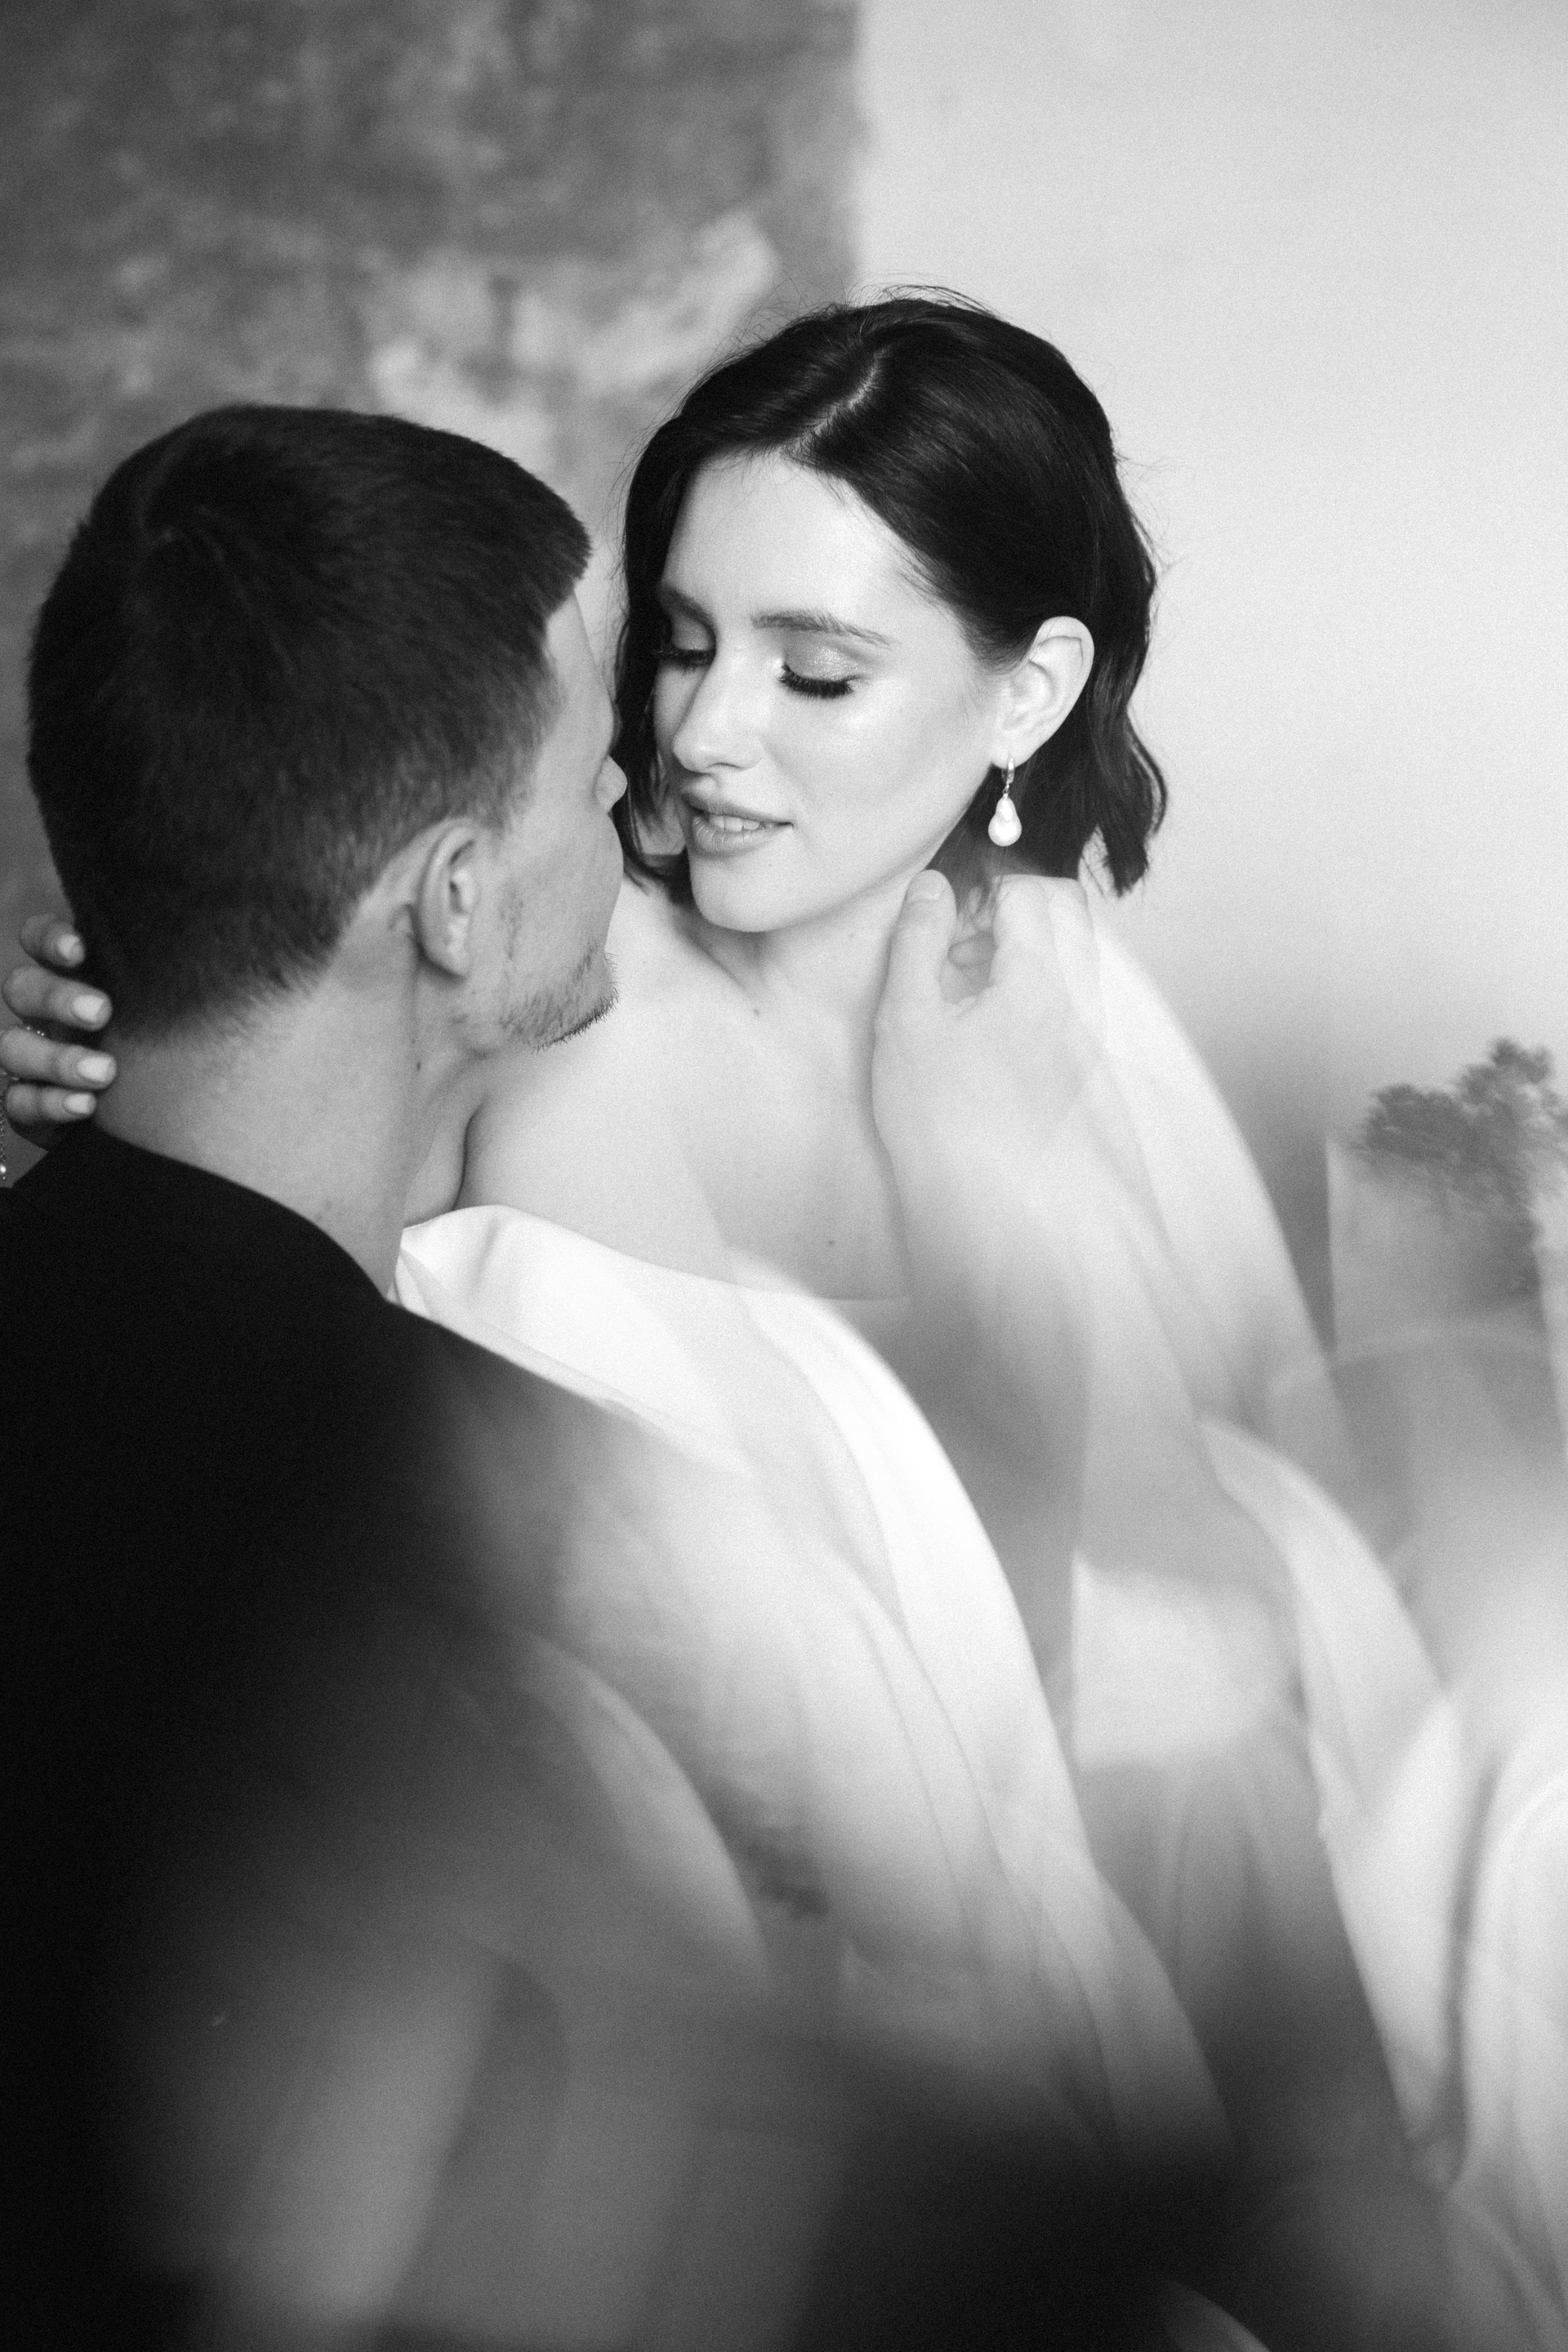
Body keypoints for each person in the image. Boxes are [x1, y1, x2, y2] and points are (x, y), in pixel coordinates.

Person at [5, 306, 1543, 2344]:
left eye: (816, 672)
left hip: (1105, 2038)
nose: (702, 736)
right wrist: (113, 1035)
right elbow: (239, 1297)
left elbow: (1231, 1688)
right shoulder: (533, 1006)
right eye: (679, 645)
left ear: (1028, 694)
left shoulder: (1070, 1025)